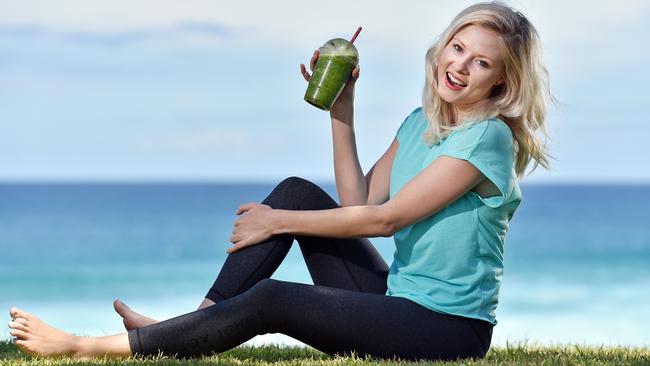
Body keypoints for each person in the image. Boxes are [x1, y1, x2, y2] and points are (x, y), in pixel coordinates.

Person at [7, 1, 552, 362]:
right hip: (399, 298)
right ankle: (193, 326)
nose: (460, 66)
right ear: (443, 47)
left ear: (501, 79)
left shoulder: (488, 139)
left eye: (481, 63)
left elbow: (387, 220)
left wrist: (279, 222)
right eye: (458, 49)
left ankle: (86, 347)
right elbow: (357, 202)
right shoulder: (420, 123)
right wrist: (342, 111)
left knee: (273, 296)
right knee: (296, 189)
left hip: (446, 330)